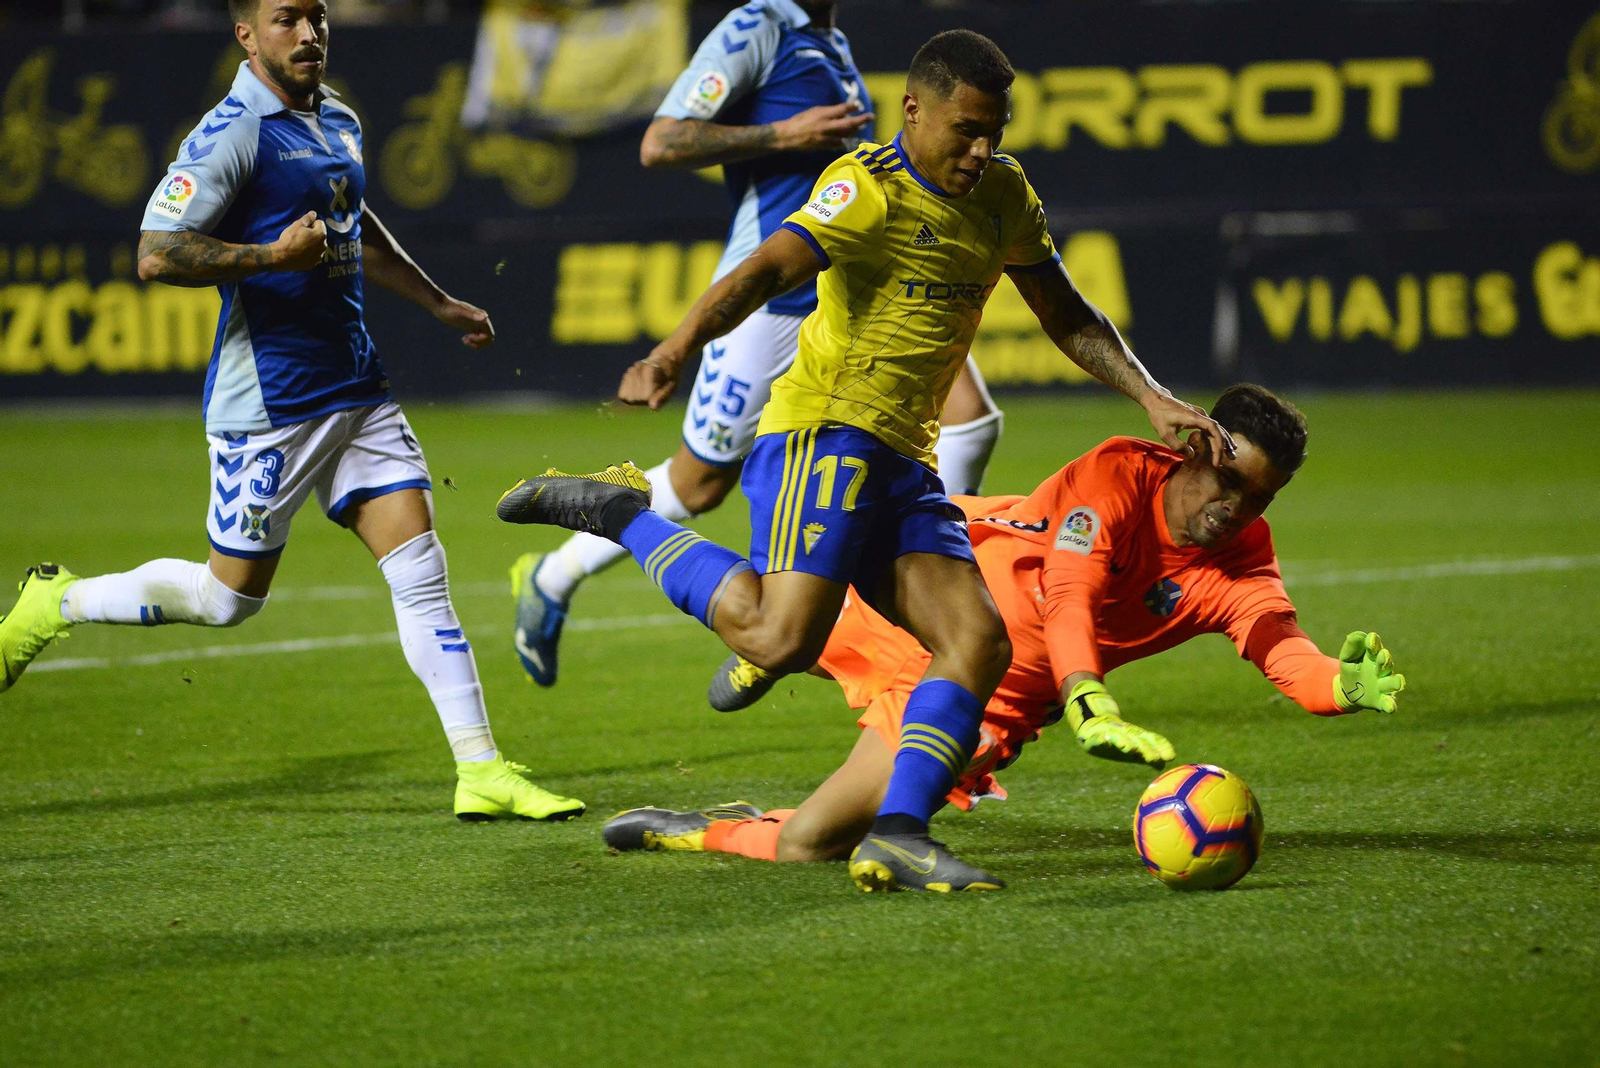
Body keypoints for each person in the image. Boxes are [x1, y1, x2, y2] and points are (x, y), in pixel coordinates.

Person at [497, 29, 1230, 892]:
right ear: (914, 110)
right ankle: (619, 512)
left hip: (902, 461)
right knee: (777, 637)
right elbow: (767, 267)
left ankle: (899, 833)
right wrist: (674, 347)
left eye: (995, 129)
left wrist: (1150, 395)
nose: (981, 148)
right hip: (826, 432)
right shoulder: (865, 188)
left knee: (974, 643)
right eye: (965, 129)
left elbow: (1064, 310)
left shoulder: (1002, 193)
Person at [0, 0, 583, 823]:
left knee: (422, 575)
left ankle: (481, 770)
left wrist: (438, 301)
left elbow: (355, 223)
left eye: (316, 16)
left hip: (358, 390)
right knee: (227, 601)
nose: (308, 33)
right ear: (246, 35)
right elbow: (156, 253)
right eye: (285, 20)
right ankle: (54, 603)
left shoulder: (336, 115)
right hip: (269, 407)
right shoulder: (232, 131)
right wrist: (272, 255)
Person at [599, 385, 1408, 886]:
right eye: (1229, 481)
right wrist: (1087, 692)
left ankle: (697, 826)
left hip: (980, 696)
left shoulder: (1239, 564)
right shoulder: (1120, 473)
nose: (1235, 507)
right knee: (777, 626)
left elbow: (1281, 649)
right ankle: (622, 516)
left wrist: (1338, 684)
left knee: (811, 845)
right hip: (928, 598)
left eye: (1257, 498)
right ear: (1193, 447)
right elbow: (1071, 589)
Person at [509, 0, 1008, 689]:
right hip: (774, 301)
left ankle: (855, 606)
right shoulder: (757, 28)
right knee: (699, 481)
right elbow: (663, 142)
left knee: (973, 421)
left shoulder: (829, 41)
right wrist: (782, 136)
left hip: (862, 295)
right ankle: (554, 571)